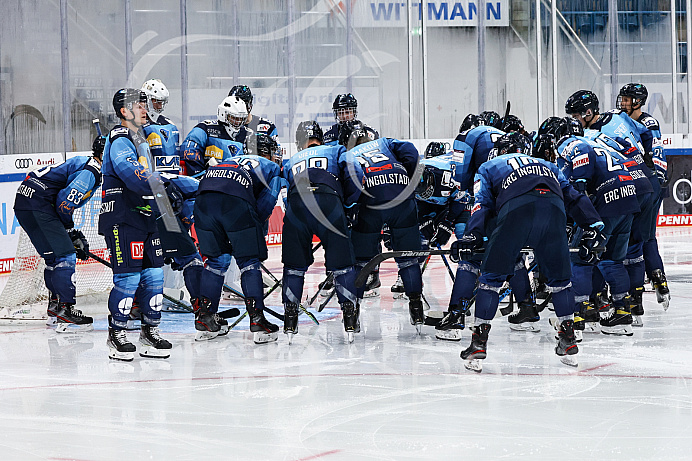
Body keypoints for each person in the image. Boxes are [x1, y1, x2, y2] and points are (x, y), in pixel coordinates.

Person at [450, 132, 602, 372]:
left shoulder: (489, 166)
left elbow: (482, 203)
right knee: (560, 282)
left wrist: (472, 235)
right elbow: (573, 196)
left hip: (515, 211)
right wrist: (593, 225)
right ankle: (568, 338)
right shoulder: (548, 164)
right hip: (554, 210)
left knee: (490, 280)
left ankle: (479, 343)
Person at [543, 116, 641, 337]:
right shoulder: (598, 141)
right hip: (628, 198)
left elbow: (574, 187)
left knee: (580, 258)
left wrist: (580, 189)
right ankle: (623, 313)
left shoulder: (570, 143)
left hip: (606, 203)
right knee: (612, 260)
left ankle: (578, 316)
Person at [99, 88, 174, 361]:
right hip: (123, 217)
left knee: (154, 276)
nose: (145, 109)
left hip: (145, 215)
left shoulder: (141, 139)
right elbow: (133, 175)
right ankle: (116, 334)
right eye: (139, 105)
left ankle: (149, 332)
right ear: (123, 111)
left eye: (145, 105)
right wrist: (164, 187)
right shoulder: (119, 137)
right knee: (128, 278)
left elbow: (153, 177)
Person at [193, 132, 284, 342]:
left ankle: (206, 319)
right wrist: (252, 237)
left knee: (216, 261)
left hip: (204, 197)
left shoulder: (229, 159)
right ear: (267, 153)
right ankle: (258, 321)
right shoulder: (271, 168)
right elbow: (264, 207)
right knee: (249, 262)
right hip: (234, 200)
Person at [281, 120, 364, 343]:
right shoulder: (336, 149)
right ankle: (349, 318)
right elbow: (355, 172)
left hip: (298, 203)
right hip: (329, 201)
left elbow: (285, 191)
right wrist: (348, 206)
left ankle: (290, 319)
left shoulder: (291, 161)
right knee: (342, 264)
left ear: (299, 142)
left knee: (294, 266)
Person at [14, 136, 104, 332]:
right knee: (66, 256)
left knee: (54, 259)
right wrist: (72, 232)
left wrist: (71, 233)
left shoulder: (85, 162)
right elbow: (64, 202)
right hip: (38, 203)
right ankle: (65, 310)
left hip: (24, 202)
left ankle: (55, 308)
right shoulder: (93, 170)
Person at [343, 122, 425, 332]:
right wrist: (407, 181)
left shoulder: (347, 153)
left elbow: (346, 184)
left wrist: (351, 206)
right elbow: (411, 152)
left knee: (361, 262)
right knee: (409, 258)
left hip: (370, 200)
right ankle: (416, 307)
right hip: (401, 194)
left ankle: (353, 313)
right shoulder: (384, 143)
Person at [617, 83, 671, 310]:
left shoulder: (647, 123)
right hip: (643, 182)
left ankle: (640, 292)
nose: (623, 103)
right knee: (642, 236)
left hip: (647, 183)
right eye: (623, 99)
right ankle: (658, 282)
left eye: (628, 100)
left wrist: (655, 180)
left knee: (640, 237)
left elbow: (652, 153)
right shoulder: (624, 119)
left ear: (638, 101)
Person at [181, 95, 248, 176]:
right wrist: (200, 175)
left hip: (238, 183)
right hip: (208, 182)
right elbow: (189, 152)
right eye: (234, 118)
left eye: (241, 119)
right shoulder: (205, 128)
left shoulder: (248, 134)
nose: (238, 122)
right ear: (223, 114)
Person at [141, 79, 180, 173]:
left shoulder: (170, 124)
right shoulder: (137, 124)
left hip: (170, 178)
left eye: (161, 103)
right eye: (157, 102)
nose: (159, 107)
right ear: (146, 100)